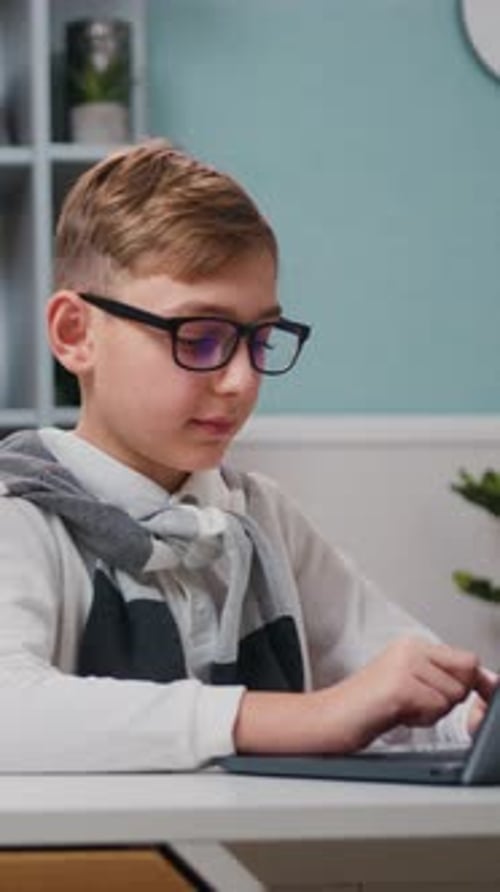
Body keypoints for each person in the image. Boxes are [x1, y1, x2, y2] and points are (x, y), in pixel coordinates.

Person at [0, 140, 494, 771]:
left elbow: (400, 683)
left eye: (260, 339)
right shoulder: (20, 516)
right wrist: (298, 718)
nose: (240, 380)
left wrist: (468, 711)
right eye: (199, 337)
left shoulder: (258, 516)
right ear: (76, 334)